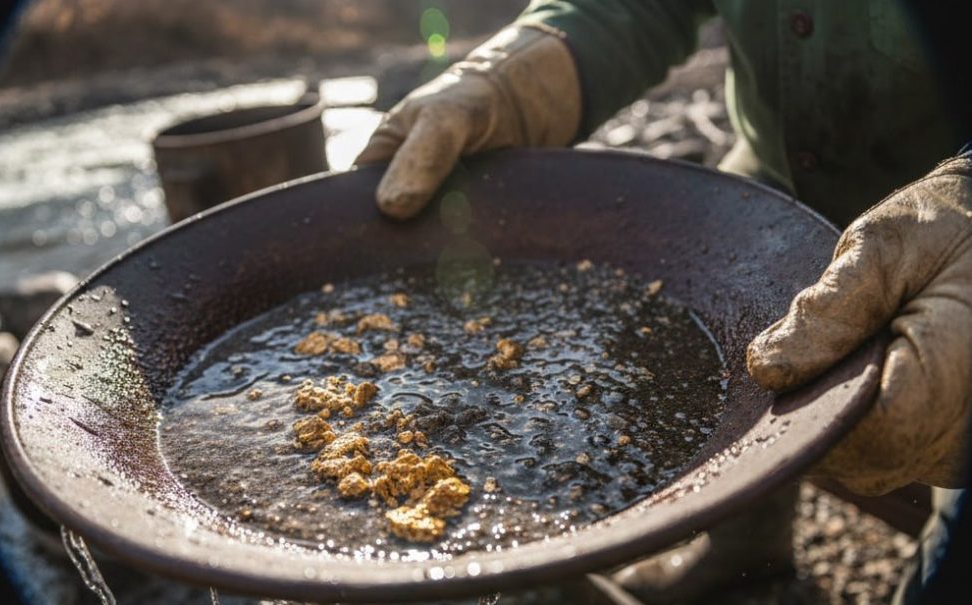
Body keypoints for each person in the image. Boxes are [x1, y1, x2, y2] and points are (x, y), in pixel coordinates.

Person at [354, 1, 972, 603]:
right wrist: (512, 73)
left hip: (942, 245)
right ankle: (744, 551)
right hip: (770, 189)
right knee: (704, 366)